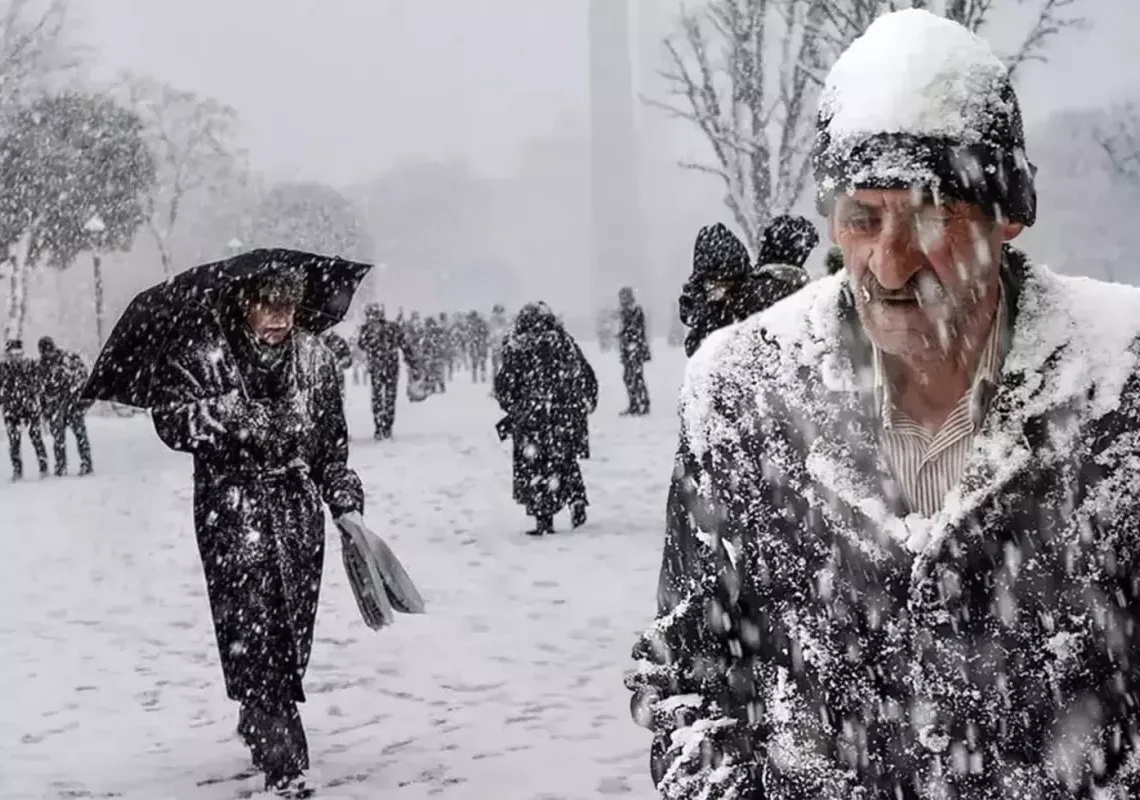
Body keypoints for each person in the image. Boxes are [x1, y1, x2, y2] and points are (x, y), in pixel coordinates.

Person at [627, 10, 1140, 799]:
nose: (889, 264)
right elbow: (688, 684)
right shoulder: (741, 391)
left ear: (1007, 218)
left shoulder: (1122, 383)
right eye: (863, 219)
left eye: (931, 216)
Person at [150, 267, 363, 797]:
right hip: (232, 512)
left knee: (290, 634)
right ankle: (284, 760)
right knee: (254, 631)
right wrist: (234, 416)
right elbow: (171, 419)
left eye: (288, 306)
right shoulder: (205, 354)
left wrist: (344, 499)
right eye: (269, 305)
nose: (280, 318)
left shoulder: (315, 359)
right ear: (244, 303)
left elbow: (331, 446)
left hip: (297, 515)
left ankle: (257, 709)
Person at [495, 303, 597, 536]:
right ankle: (576, 497)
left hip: (532, 417)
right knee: (565, 460)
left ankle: (544, 517)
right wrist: (584, 401)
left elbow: (505, 385)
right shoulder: (563, 342)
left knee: (534, 466)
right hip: (563, 414)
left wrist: (514, 406)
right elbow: (585, 374)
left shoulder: (518, 346)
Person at [357, 304, 419, 440]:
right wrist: (412, 363)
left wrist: (370, 337)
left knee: (379, 398)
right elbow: (405, 347)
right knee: (386, 398)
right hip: (388, 368)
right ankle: (385, 426)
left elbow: (361, 345)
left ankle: (381, 426)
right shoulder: (391, 328)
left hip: (381, 368)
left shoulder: (382, 328)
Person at [37, 336, 93, 476]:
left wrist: (81, 402)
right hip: (56, 407)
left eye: (49, 351)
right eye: (45, 352)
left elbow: (83, 380)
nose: (48, 354)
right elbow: (41, 390)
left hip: (73, 404)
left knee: (79, 435)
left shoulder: (68, 359)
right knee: (59, 438)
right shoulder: (42, 366)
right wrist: (45, 410)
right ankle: (61, 466)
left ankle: (86, 463)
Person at [0, 339, 48, 480]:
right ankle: (17, 470)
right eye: (12, 354)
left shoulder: (30, 365)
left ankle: (43, 467)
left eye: (18, 354)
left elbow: (39, 385)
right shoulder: (2, 368)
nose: (15, 357)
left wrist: (38, 400)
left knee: (36, 436)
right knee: (14, 441)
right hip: (11, 408)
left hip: (29, 406)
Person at [617, 287, 650, 416]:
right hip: (628, 349)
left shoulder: (635, 311)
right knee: (629, 377)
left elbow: (636, 329)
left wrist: (627, 334)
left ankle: (643, 404)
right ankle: (635, 404)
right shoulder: (625, 312)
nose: (622, 300)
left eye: (624, 297)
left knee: (636, 377)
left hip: (635, 348)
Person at [466, 310, 490, 383]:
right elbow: (469, 335)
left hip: (480, 345)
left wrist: (479, 339)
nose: (472, 319)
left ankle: (481, 377)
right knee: (475, 362)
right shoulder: (471, 324)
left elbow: (485, 333)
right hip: (476, 345)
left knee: (481, 361)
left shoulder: (480, 323)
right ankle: (476, 377)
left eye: (472, 317)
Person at [488, 304, 510, 380]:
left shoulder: (504, 321)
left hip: (502, 346)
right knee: (497, 365)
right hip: (498, 347)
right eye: (497, 311)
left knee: (502, 364)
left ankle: (500, 378)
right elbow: (491, 333)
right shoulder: (493, 320)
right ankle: (497, 378)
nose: (498, 313)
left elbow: (506, 332)